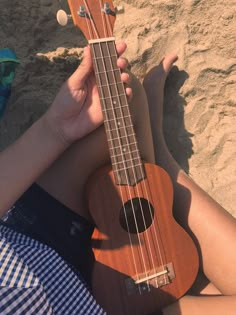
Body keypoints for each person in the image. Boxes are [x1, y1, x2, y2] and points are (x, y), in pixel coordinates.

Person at [0, 41, 235, 315]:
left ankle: (158, 154)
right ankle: (159, 157)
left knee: (126, 94)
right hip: (91, 307)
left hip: (30, 242)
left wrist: (56, 129)